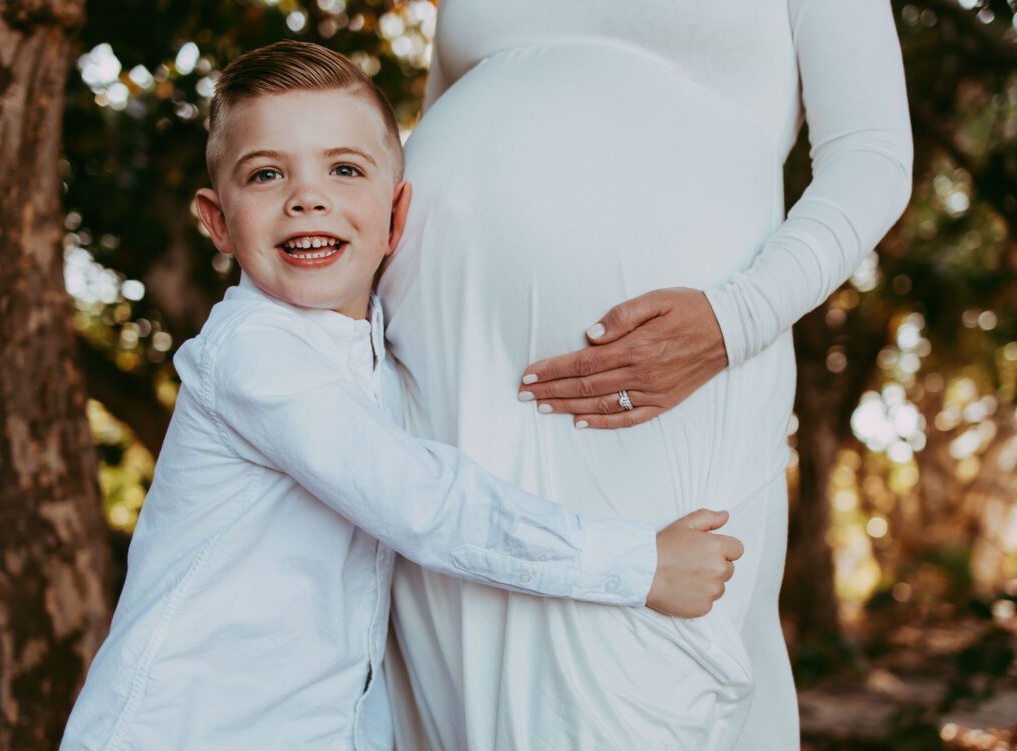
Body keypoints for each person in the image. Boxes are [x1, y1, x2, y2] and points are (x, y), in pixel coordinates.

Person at [60, 41, 743, 751]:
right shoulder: (255, 354)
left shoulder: (370, 357)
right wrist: (639, 563)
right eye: (266, 174)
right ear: (218, 221)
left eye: (344, 169)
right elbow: (426, 504)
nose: (307, 196)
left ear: (396, 215)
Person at [377, 1, 913, 749]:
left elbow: (874, 158)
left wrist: (736, 319)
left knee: (645, 683)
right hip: (446, 392)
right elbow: (421, 146)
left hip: (669, 388)